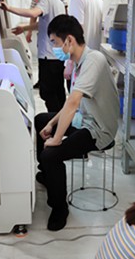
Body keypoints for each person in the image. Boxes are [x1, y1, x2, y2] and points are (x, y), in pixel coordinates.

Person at [35, 15, 119, 231]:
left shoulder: (94, 60)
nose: (54, 48)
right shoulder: (79, 62)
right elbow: (71, 103)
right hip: (85, 120)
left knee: (51, 154)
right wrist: (51, 124)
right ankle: (47, 174)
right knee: (41, 120)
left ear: (69, 40)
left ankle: (59, 208)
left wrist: (56, 139)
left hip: (99, 130)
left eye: (55, 42)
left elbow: (73, 102)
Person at [0, 0, 67, 112]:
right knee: (58, 92)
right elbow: (45, 24)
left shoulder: (46, 0)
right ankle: (60, 120)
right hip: (57, 56)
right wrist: (25, 28)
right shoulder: (58, 2)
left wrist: (9, 8)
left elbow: (33, 13)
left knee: (48, 93)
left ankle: (54, 121)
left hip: (48, 56)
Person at [61, 0, 103, 92]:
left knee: (76, 101)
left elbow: (75, 33)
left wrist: (69, 64)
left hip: (80, 63)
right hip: (93, 62)